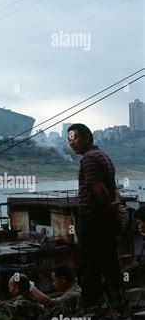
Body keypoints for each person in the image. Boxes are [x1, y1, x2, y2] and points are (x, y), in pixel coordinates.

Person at [67, 123, 125, 307]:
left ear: (87, 138)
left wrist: (110, 206)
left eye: (75, 138)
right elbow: (113, 187)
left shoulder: (89, 159)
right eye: (69, 139)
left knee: (88, 262)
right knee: (109, 259)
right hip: (105, 218)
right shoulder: (103, 155)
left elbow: (100, 190)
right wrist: (115, 207)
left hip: (93, 218)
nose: (72, 143)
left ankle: (91, 305)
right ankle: (117, 299)